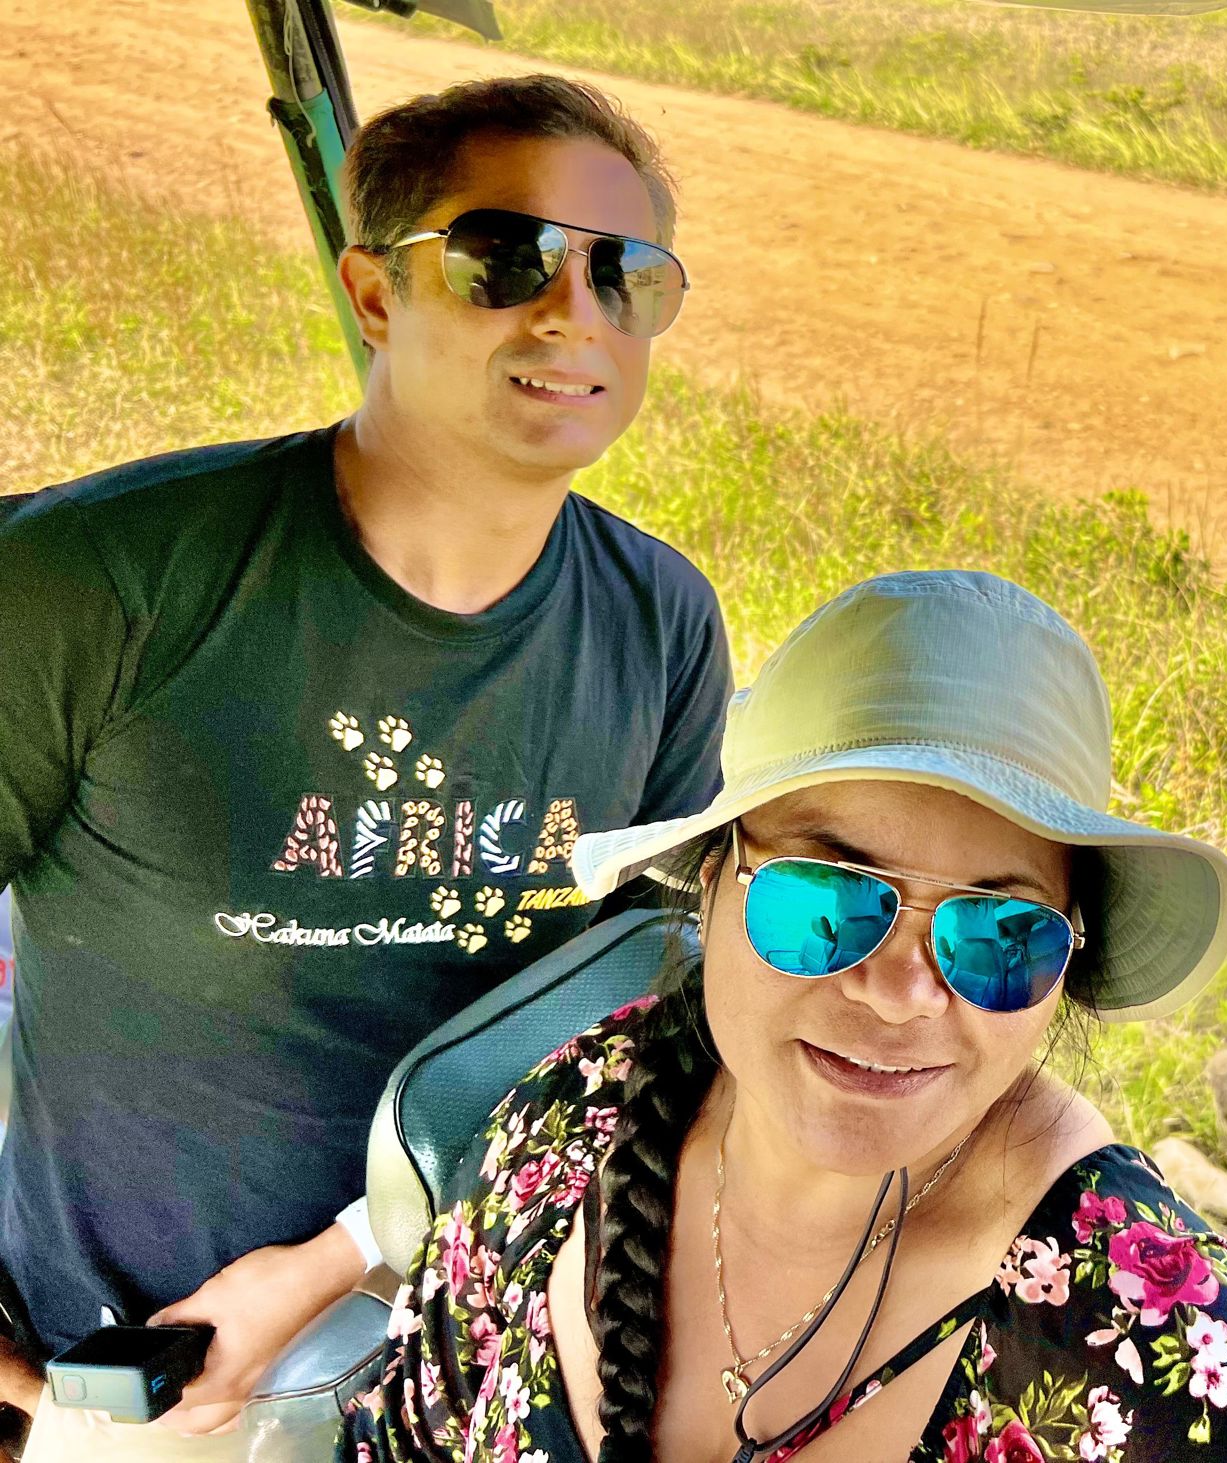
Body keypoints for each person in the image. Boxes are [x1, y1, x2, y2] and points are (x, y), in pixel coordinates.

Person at [341, 571, 1227, 1463]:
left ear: (1064, 959)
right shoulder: (573, 1119)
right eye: (825, 898)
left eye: (997, 935)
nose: (898, 993)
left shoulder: (1137, 1319)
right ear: (713, 880)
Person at [0, 75, 732, 1449]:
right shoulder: (96, 579)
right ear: (375, 291)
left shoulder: (662, 625)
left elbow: (634, 1010)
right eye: (504, 257)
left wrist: (332, 1263)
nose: (572, 311)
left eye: (624, 274)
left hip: (475, 1345)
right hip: (123, 1366)